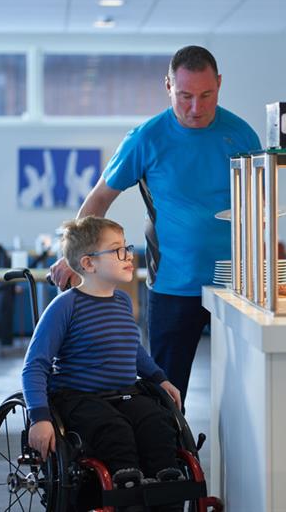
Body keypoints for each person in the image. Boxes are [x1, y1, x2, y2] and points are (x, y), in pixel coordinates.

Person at [50, 45, 261, 402]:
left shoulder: (241, 135)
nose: (196, 108)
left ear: (220, 84)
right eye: (185, 96)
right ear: (168, 86)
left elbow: (261, 209)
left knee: (246, 393)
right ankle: (168, 458)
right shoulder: (146, 138)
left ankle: (236, 460)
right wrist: (74, 257)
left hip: (237, 286)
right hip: (174, 287)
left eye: (206, 95)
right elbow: (100, 198)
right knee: (165, 392)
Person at [23, 216, 184, 509]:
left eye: (127, 247)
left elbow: (132, 350)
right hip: (78, 397)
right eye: (117, 250)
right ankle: (126, 488)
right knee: (114, 429)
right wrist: (40, 417)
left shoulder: (122, 301)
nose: (129, 256)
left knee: (157, 422)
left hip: (124, 393)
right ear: (88, 263)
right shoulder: (65, 306)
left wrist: (161, 379)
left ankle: (165, 485)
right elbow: (35, 365)